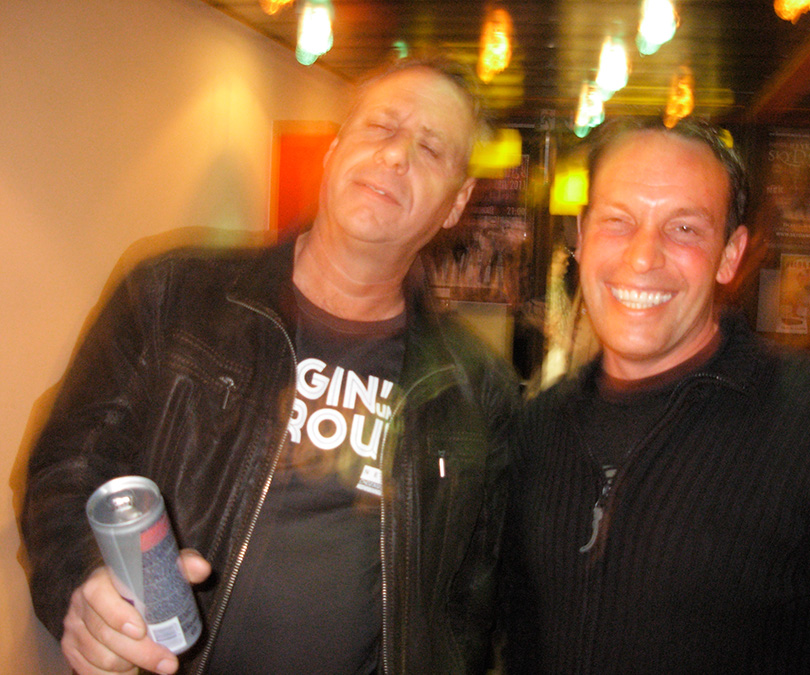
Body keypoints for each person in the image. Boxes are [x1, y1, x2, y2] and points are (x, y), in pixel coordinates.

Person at [21, 55, 519, 675]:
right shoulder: (170, 297)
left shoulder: (480, 392)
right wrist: (82, 579)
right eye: (381, 127)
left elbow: (472, 601)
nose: (396, 156)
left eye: (432, 149)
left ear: (457, 203)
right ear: (334, 151)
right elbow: (66, 470)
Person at [500, 117, 810, 673]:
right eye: (618, 221)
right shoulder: (537, 430)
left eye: (684, 228)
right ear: (583, 237)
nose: (643, 257)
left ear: (730, 254)